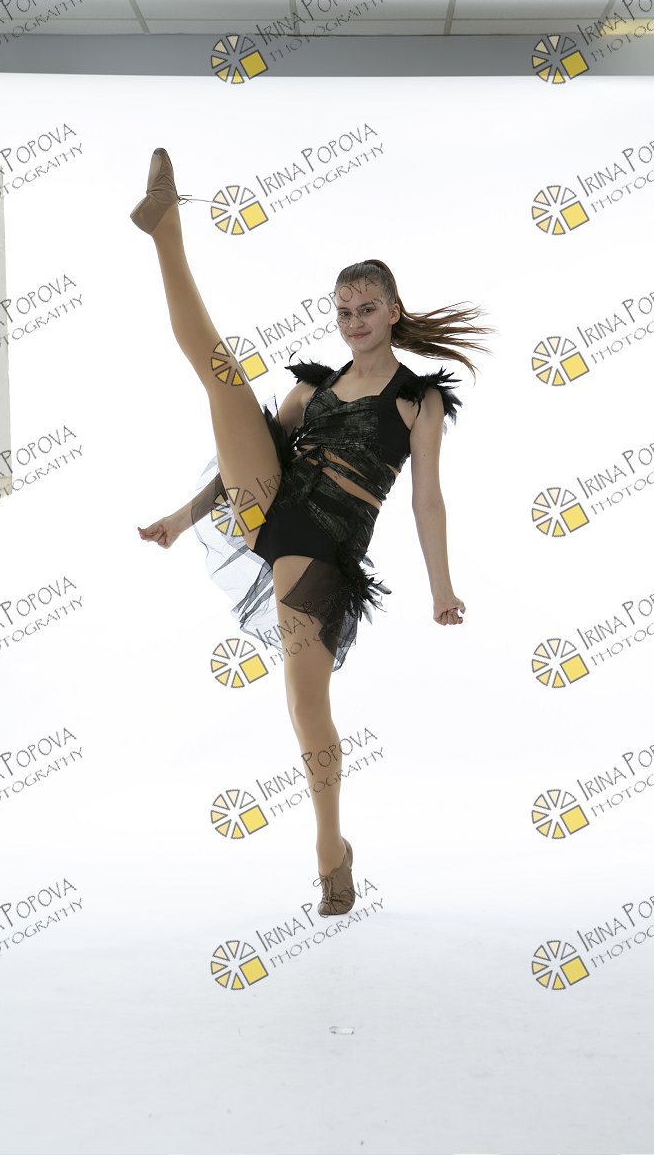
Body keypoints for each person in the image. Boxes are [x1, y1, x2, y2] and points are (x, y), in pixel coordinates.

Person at [131, 149, 495, 918]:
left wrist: (443, 589)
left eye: (366, 309)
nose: (353, 321)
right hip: (273, 507)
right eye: (343, 310)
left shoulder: (418, 400)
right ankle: (165, 228)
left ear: (392, 311)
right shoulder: (313, 387)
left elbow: (428, 501)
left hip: (326, 549)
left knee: (305, 708)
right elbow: (253, 455)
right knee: (222, 375)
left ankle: (332, 851)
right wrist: (182, 520)